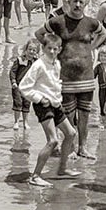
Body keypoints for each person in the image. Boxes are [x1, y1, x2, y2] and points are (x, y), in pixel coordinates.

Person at [40, 0, 106, 161]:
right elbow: (40, 34)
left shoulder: (91, 23)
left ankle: (82, 147)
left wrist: (92, 48)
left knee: (84, 115)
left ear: (85, 4)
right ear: (69, 2)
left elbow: (103, 33)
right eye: (74, 1)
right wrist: (51, 52)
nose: (77, 4)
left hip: (86, 76)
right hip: (66, 77)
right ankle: (68, 148)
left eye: (81, 2)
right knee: (67, 115)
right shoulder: (58, 21)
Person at [19, 31, 78, 187]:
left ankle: (62, 168)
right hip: (43, 105)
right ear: (43, 48)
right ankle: (35, 176)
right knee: (52, 141)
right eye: (49, 48)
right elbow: (24, 87)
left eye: (55, 49)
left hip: (55, 104)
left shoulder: (56, 64)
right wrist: (40, 98)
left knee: (71, 133)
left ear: (59, 49)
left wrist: (57, 100)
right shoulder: (38, 65)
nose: (52, 51)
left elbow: (55, 84)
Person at [10, 38, 40, 130]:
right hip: (18, 86)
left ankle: (25, 122)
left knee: (27, 104)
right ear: (25, 49)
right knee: (18, 103)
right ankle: (16, 122)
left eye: (34, 50)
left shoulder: (36, 62)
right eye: (29, 49)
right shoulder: (20, 60)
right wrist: (13, 82)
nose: (31, 51)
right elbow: (12, 72)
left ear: (37, 52)